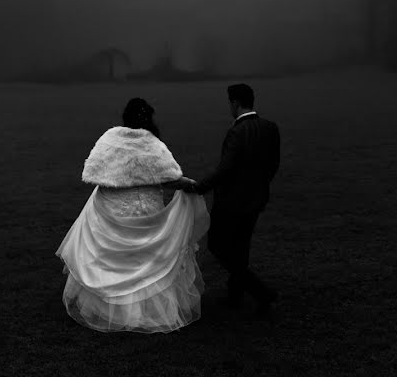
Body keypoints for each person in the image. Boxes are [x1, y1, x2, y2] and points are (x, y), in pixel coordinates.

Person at [55, 98, 209, 333]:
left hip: (112, 207)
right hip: (146, 207)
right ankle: (146, 311)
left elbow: (93, 173)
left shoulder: (109, 139)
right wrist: (187, 184)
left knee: (111, 257)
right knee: (146, 258)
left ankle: (107, 309)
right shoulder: (152, 144)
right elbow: (168, 177)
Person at [180, 83, 280, 316]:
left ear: (235, 103)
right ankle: (235, 294)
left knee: (218, 245)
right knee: (241, 247)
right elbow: (272, 165)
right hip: (256, 200)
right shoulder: (270, 128)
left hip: (231, 202)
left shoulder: (237, 132)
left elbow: (226, 168)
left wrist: (199, 187)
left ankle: (260, 291)